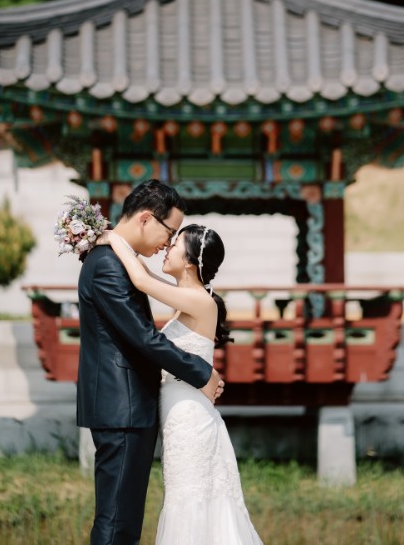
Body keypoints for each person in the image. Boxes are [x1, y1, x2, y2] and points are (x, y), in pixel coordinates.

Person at [97, 223, 264, 545]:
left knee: (189, 502)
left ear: (189, 260)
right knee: (185, 500)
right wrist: (123, 247)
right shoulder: (187, 298)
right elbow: (146, 275)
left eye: (174, 245)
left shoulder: (201, 301)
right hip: (180, 413)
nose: (166, 248)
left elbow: (142, 280)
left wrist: (114, 238)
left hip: (190, 417)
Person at [76, 180, 223, 545]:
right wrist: (201, 372)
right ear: (146, 219)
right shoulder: (108, 264)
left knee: (124, 520)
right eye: (169, 231)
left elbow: (145, 288)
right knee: (116, 522)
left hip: (128, 407)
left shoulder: (115, 258)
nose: (168, 243)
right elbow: (143, 337)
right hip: (122, 408)